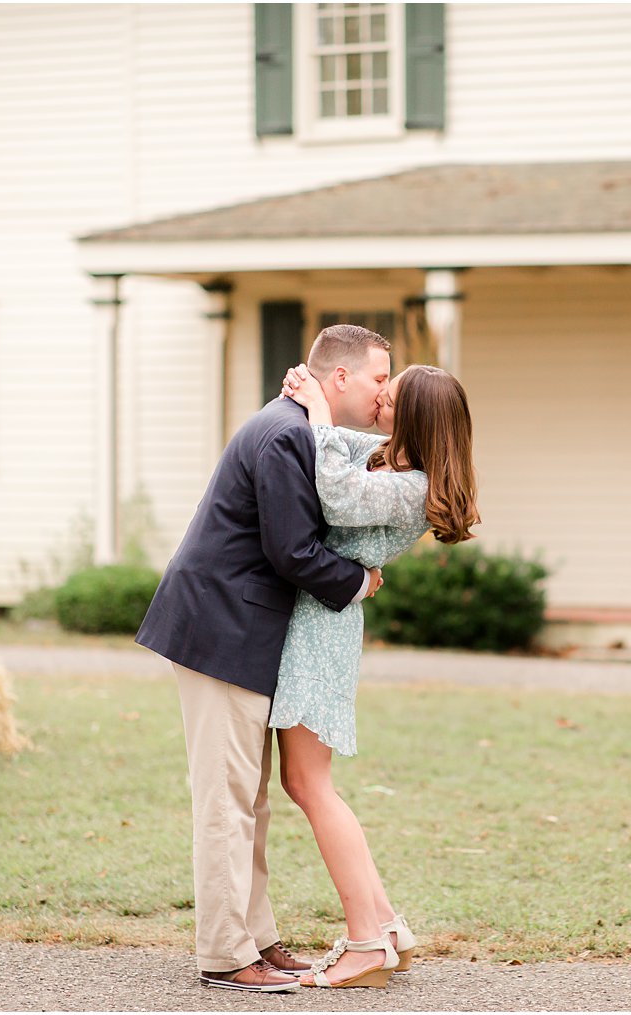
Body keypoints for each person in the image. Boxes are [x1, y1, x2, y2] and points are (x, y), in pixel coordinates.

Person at [135, 324, 391, 992]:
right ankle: (225, 954)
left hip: (239, 633)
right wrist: (359, 581)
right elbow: (292, 549)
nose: (384, 392)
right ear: (339, 378)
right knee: (226, 800)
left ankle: (258, 937)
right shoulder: (287, 435)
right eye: (378, 379)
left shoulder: (299, 428)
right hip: (219, 629)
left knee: (249, 799)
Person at [269, 359, 479, 989]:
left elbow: (334, 491)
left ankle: (366, 943)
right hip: (322, 623)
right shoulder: (398, 462)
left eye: (391, 396)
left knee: (310, 783)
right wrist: (314, 401)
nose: (380, 399)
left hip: (320, 632)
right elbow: (340, 449)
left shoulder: (408, 485)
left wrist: (319, 412)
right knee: (307, 780)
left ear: (412, 419)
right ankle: (387, 924)